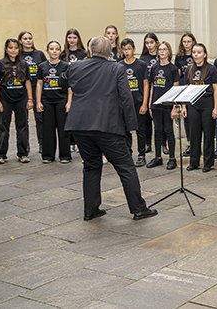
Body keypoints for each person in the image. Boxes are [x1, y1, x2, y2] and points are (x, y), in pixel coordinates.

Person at [65, 36, 157, 221]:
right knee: (125, 167)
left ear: (90, 50)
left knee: (91, 167)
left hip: (80, 126)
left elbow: (62, 81)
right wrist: (132, 126)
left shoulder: (75, 66)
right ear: (110, 53)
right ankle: (138, 209)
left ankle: (90, 209)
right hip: (107, 126)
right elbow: (126, 98)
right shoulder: (116, 68)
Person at [181, 43, 217, 172]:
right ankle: (194, 162)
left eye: (199, 52)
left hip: (207, 104)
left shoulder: (211, 69)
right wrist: (184, 106)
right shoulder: (189, 69)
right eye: (194, 52)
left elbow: (216, 89)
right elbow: (186, 89)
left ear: (204, 54)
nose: (196, 55)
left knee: (208, 134)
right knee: (194, 134)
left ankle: (208, 163)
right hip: (193, 104)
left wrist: (216, 107)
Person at [0, 39, 34, 164]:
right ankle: (0, 155)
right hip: (5, 100)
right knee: (3, 127)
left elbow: (27, 82)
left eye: (16, 48)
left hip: (21, 99)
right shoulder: (0, 64)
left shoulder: (24, 64)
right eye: (10, 48)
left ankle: (23, 154)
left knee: (22, 126)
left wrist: (30, 99)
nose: (13, 50)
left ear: (19, 49)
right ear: (6, 49)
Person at [36, 41, 72, 163]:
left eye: (57, 49)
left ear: (60, 51)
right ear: (47, 51)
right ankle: (48, 155)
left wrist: (69, 102)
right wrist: (38, 101)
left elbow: (69, 86)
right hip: (47, 101)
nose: (54, 51)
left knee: (63, 130)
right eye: (52, 49)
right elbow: (39, 84)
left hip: (62, 100)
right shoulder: (42, 66)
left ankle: (65, 155)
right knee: (47, 129)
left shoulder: (65, 66)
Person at [147, 41, 179, 170]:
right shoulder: (154, 68)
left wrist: (174, 107)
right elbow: (153, 86)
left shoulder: (173, 69)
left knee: (169, 130)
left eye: (164, 49)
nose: (161, 51)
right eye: (160, 49)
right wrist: (150, 103)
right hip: (156, 105)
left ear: (169, 52)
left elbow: (176, 89)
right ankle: (158, 157)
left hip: (168, 105)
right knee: (157, 130)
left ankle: (172, 158)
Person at [119, 38, 150, 167]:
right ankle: (127, 153)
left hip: (138, 101)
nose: (127, 52)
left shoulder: (141, 64)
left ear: (134, 49)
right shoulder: (119, 65)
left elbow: (146, 84)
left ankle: (141, 154)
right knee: (125, 129)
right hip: (124, 103)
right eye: (124, 49)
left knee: (140, 129)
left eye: (129, 49)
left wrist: (144, 103)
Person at [18, 31, 46, 153]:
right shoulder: (18, 55)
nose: (28, 41)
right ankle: (25, 146)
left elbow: (46, 68)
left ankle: (42, 143)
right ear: (20, 41)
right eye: (25, 39)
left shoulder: (39, 54)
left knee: (40, 118)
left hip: (38, 88)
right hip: (23, 90)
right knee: (23, 119)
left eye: (30, 38)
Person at [175, 32, 197, 156]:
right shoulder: (179, 57)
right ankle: (189, 144)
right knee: (187, 117)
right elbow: (178, 74)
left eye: (189, 41)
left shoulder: (196, 55)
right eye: (184, 41)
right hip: (184, 89)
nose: (186, 44)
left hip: (195, 87)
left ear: (193, 42)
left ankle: (198, 143)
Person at [139, 33, 160, 154]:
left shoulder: (162, 55)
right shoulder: (143, 59)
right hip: (147, 91)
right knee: (146, 121)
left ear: (156, 43)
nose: (149, 45)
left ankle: (163, 144)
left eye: (151, 42)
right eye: (147, 43)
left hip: (159, 90)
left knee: (160, 122)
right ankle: (148, 143)